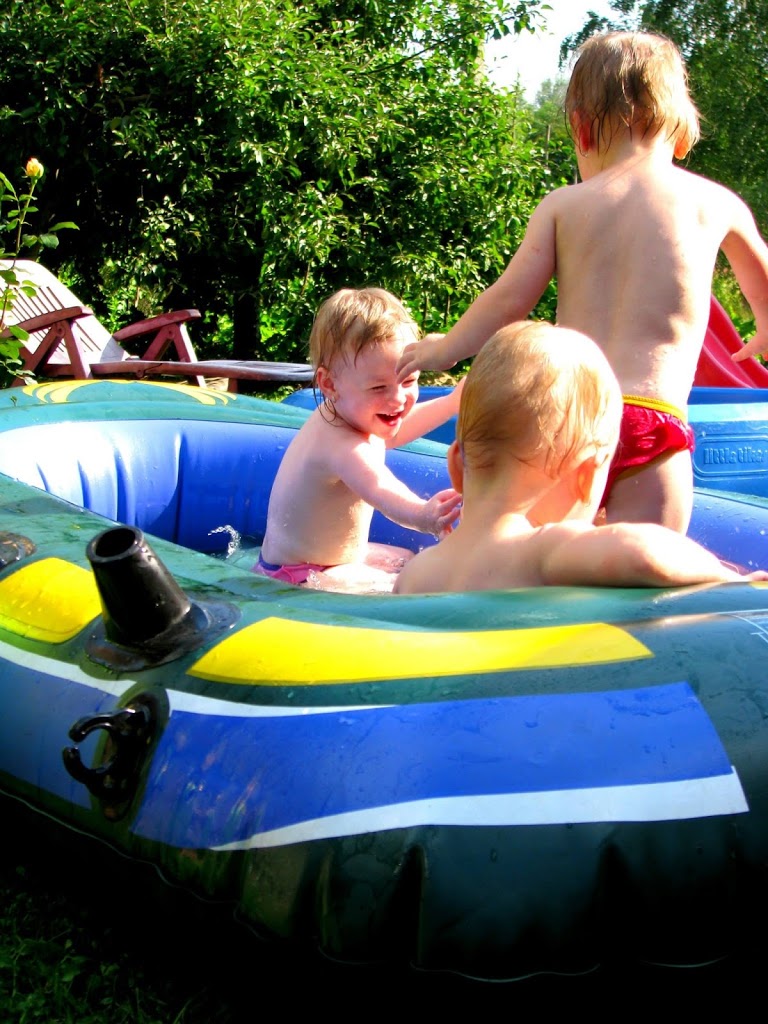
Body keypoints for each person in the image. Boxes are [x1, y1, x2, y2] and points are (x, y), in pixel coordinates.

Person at [395, 30, 768, 534]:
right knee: (646, 567)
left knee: (546, 562)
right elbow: (762, 284)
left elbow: (508, 301)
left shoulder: (563, 206)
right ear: (682, 137)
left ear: (581, 130)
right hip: (655, 420)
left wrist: (445, 349)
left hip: (571, 417)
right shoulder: (716, 203)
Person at [393, 321, 768, 594]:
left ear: (456, 466)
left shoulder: (415, 575)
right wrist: (728, 578)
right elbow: (643, 552)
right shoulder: (543, 552)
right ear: (587, 476)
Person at [257, 287, 464, 591]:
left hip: (322, 563)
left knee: (406, 559)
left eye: (408, 380)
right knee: (409, 584)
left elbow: (397, 430)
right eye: (379, 388)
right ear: (330, 384)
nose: (398, 399)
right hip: (301, 578)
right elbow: (380, 487)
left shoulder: (353, 414)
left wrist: (451, 402)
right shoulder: (341, 445)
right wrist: (423, 515)